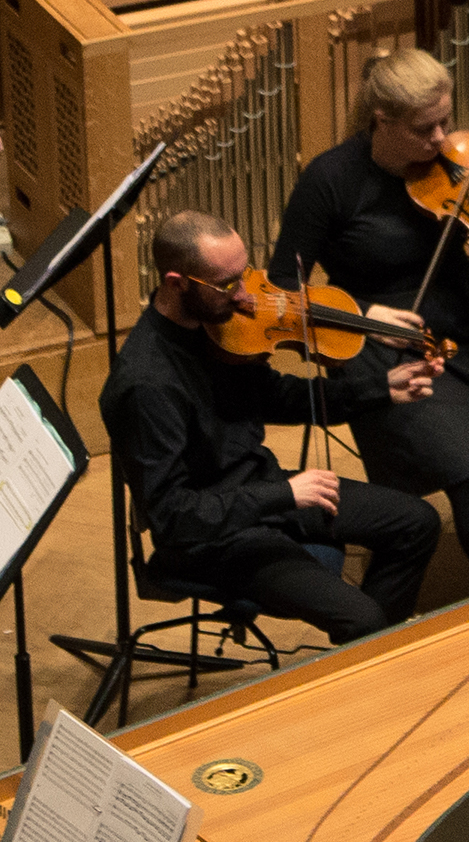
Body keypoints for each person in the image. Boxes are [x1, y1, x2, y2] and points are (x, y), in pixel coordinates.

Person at [271, 51, 469, 589]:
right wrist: (363, 315)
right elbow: (281, 289)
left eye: (446, 122)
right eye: (424, 128)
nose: (440, 140)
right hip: (393, 352)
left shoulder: (458, 164)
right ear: (381, 121)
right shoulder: (330, 180)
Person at [98, 210, 443, 647]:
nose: (245, 296)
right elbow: (172, 517)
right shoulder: (146, 385)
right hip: (216, 541)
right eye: (227, 285)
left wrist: (380, 388)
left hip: (267, 493)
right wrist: (284, 494)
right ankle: (364, 664)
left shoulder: (216, 330)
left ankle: (365, 660)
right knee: (364, 619)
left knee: (417, 523)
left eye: (243, 276)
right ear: (175, 282)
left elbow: (279, 396)